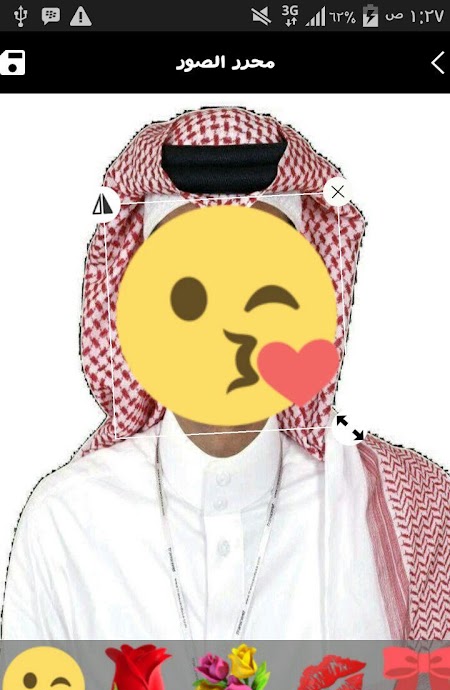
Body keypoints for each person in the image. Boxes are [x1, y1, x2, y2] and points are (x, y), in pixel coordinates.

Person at [2, 106, 449, 642]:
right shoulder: (63, 522)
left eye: (262, 288)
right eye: (187, 294)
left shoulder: (412, 512)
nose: (228, 328)